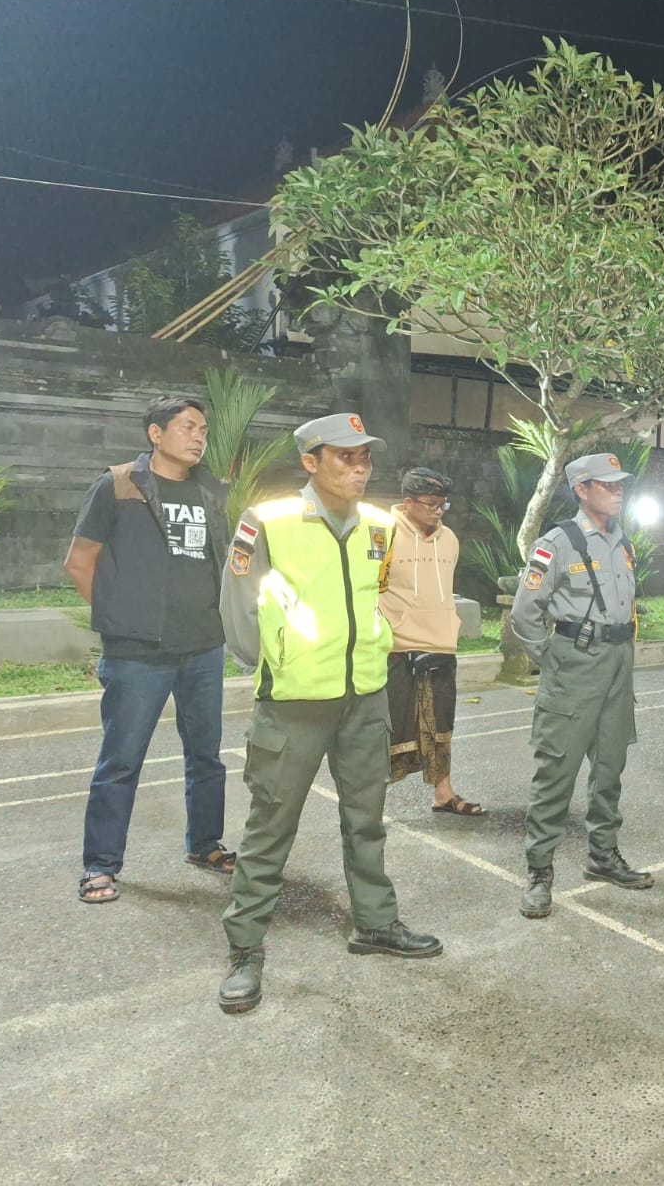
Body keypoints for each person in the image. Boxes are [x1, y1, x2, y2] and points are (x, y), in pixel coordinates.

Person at [217, 413, 441, 1016]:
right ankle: (245, 950)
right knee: (269, 831)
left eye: (364, 457)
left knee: (367, 822)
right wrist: (275, 662)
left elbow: (377, 594)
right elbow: (238, 606)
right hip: (293, 702)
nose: (359, 467)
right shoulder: (269, 521)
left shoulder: (378, 525)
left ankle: (375, 924)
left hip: (363, 698)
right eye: (343, 456)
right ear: (310, 462)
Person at [64, 396, 232, 905]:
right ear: (155, 434)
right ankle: (100, 866)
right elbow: (78, 561)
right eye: (187, 427)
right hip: (137, 654)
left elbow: (220, 563)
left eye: (203, 428)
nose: (199, 435)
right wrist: (119, 617)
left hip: (203, 646)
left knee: (207, 757)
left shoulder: (212, 490)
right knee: (121, 761)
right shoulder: (118, 485)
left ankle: (205, 845)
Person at [509, 452, 652, 919]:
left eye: (620, 486)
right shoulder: (559, 542)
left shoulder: (622, 542)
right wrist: (551, 659)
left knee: (610, 766)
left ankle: (602, 856)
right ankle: (539, 870)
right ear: (583, 490)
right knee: (556, 771)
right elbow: (524, 613)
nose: (618, 492)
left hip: (617, 662)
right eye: (607, 485)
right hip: (575, 662)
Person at [381, 467, 480, 817]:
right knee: (393, 729)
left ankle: (443, 793)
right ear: (407, 502)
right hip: (398, 649)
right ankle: (368, 803)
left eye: (443, 505)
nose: (438, 511)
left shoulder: (449, 538)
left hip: (440, 646)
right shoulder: (383, 534)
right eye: (430, 504)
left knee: (440, 726)